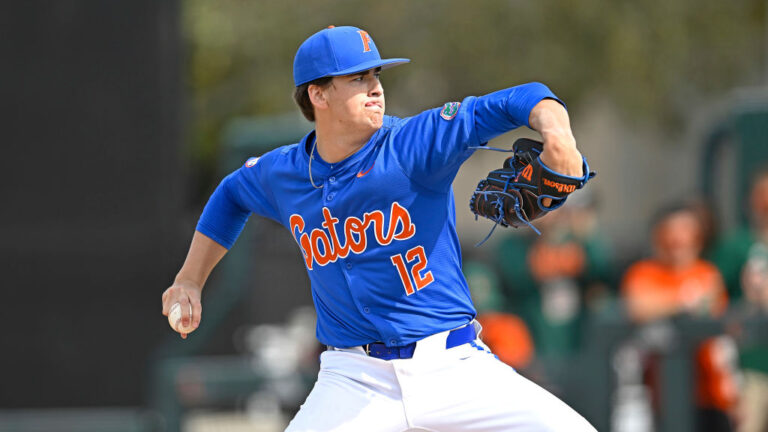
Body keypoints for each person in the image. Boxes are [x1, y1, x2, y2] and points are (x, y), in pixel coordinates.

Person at [161, 25, 596, 431]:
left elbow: (518, 99)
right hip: (352, 379)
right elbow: (231, 194)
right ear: (318, 95)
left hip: (452, 366)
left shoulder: (413, 144)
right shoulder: (284, 173)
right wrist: (189, 279)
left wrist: (559, 135)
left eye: (376, 74)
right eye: (357, 78)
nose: (376, 87)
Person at [621, 204, 738, 432]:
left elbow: (711, 307)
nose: (678, 240)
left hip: (710, 393)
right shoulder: (645, 272)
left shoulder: (706, 273)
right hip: (663, 393)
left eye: (685, 232)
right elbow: (637, 305)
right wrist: (683, 300)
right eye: (671, 233)